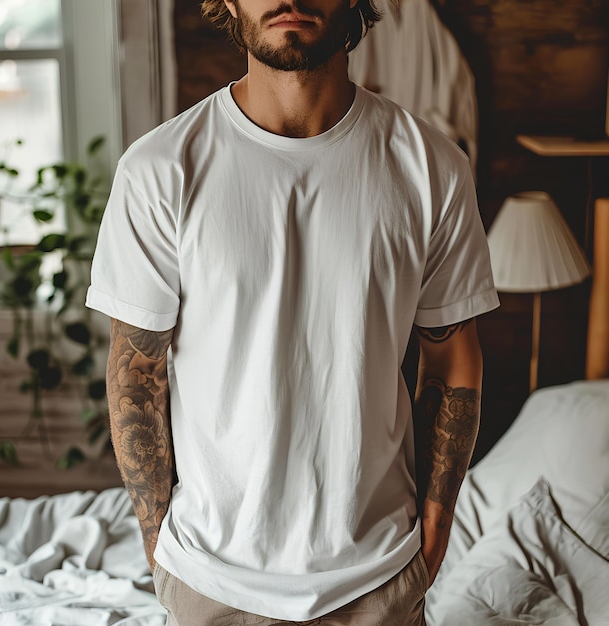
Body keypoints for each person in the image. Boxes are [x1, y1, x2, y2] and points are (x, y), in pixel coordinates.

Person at [86, 0, 499, 622]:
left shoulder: (431, 167)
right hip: (211, 581)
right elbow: (136, 369)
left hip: (378, 577)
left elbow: (452, 359)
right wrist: (159, 544)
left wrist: (435, 531)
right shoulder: (159, 169)